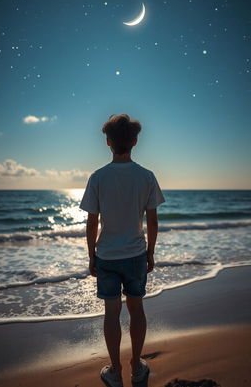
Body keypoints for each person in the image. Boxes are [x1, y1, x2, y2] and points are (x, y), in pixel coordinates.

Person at [80, 114, 165, 387]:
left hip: (107, 256)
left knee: (111, 313)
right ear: (135, 142)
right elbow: (152, 220)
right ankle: (137, 369)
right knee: (136, 309)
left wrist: (92, 255)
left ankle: (115, 371)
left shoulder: (98, 177)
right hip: (135, 254)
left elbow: (92, 222)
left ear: (107, 142)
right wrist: (150, 252)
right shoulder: (146, 176)